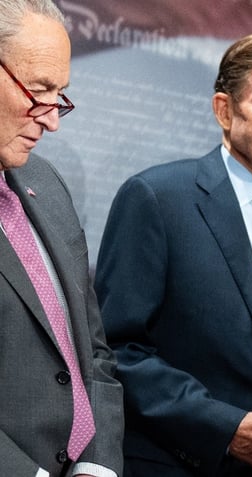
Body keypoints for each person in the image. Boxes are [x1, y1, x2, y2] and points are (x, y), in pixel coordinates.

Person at [94, 33, 252, 476]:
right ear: (224, 110)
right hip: (185, 463)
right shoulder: (158, 198)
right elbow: (118, 348)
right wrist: (223, 427)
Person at [0, 0, 124, 476]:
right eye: (38, 91)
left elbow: (91, 349)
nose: (52, 120)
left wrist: (97, 465)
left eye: (61, 94)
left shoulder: (46, 182)